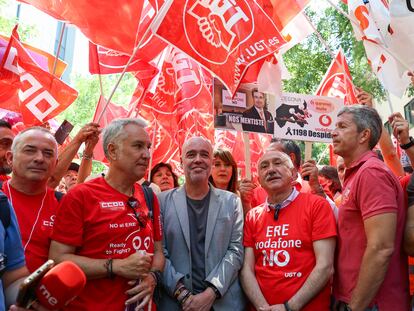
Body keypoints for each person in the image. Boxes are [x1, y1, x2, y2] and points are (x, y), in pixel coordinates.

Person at [49, 118, 165, 311]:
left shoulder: (150, 196)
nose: (146, 155)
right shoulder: (81, 196)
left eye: (148, 147)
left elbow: (159, 252)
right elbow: (58, 259)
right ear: (112, 151)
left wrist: (153, 277)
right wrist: (115, 266)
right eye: (138, 146)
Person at [332, 105, 409, 310]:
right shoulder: (357, 174)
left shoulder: (371, 173)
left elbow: (381, 248)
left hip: (373, 303)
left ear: (364, 135)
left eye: (342, 126)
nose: (333, 132)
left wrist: (355, 307)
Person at [241, 150, 336, 310]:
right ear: (259, 180)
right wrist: (262, 307)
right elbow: (246, 271)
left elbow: (325, 266)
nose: (271, 169)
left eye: (278, 163)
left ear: (293, 174)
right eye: (264, 166)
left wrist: (288, 307)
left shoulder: (317, 206)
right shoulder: (252, 216)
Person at [158, 137, 245, 311]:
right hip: (175, 302)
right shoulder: (161, 201)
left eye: (204, 154)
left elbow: (236, 250)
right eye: (191, 154)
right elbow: (159, 251)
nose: (198, 159)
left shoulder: (232, 202)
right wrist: (181, 294)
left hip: (222, 302)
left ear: (211, 162)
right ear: (182, 162)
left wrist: (211, 292)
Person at [1, 127, 61, 273]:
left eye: (48, 154)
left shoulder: (65, 204)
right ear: (10, 158)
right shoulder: (1, 196)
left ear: (56, 164)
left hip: (38, 294)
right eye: (30, 150)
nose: (39, 158)